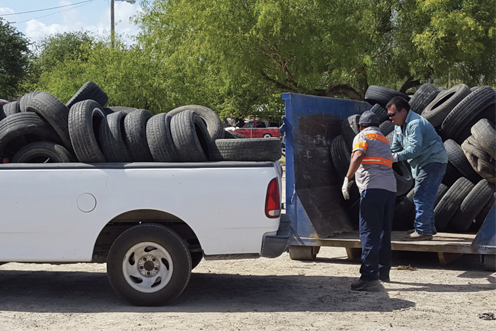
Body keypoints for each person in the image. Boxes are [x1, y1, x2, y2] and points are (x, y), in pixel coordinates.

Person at [342, 110, 397, 292]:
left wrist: (347, 178)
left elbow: (358, 156)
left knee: (368, 232)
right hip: (390, 190)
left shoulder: (362, 135)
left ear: (361, 126)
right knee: (383, 232)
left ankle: (368, 277)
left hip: (372, 188)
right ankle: (383, 272)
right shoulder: (384, 139)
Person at [386, 96, 448, 240]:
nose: (390, 118)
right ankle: (428, 228)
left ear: (403, 111)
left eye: (392, 114)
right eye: (388, 115)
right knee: (425, 195)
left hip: (432, 162)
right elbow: (395, 147)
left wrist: (393, 158)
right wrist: (383, 155)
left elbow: (414, 150)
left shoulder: (415, 124)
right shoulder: (398, 126)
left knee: (421, 195)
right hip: (423, 163)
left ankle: (423, 230)